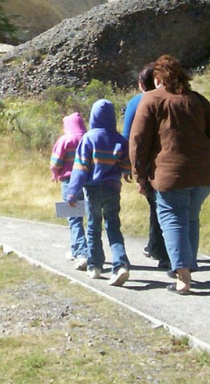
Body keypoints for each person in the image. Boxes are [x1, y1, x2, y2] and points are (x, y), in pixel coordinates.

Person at [130, 54, 210, 295]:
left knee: (173, 220)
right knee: (191, 219)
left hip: (170, 175)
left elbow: (138, 141)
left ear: (158, 79)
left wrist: (140, 175)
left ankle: (183, 278)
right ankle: (186, 270)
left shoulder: (151, 99)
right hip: (203, 174)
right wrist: (206, 153)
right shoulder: (196, 99)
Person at [65, 99, 133, 287]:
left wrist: (72, 193)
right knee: (113, 226)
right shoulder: (120, 139)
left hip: (93, 190)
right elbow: (126, 165)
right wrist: (126, 172)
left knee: (94, 226)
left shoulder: (88, 138)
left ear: (93, 116)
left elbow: (80, 169)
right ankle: (121, 264)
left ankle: (95, 266)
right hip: (112, 188)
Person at [122, 63, 171, 269]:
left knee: (158, 206)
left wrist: (127, 165)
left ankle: (162, 252)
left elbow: (128, 136)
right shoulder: (173, 99)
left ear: (142, 84)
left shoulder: (137, 102)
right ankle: (157, 247)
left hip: (148, 163)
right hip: (170, 159)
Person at [50, 111, 88, 269]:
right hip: (87, 181)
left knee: (74, 218)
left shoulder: (65, 140)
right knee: (89, 216)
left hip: (69, 182)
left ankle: (81, 252)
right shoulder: (87, 138)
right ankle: (76, 249)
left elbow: (56, 161)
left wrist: (54, 173)